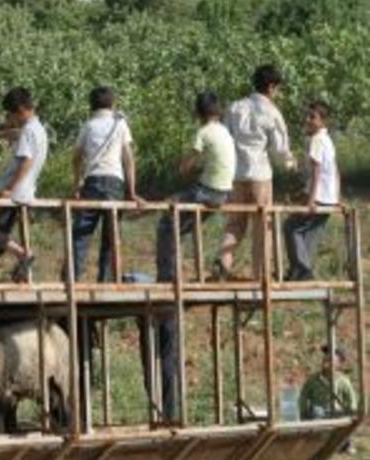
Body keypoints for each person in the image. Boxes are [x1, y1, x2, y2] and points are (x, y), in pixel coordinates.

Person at [150, 92, 236, 422]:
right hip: (223, 192)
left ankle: (167, 274)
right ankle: (177, 262)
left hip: (207, 191)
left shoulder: (203, 132)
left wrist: (182, 166)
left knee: (165, 221)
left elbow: (188, 161)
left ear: (197, 112)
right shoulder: (225, 131)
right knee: (180, 227)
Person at [213, 65, 296, 280]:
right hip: (260, 175)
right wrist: (290, 163)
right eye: (277, 88)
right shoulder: (271, 112)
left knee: (234, 224)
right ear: (271, 86)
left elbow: (224, 138)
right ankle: (260, 277)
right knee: (263, 227)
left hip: (236, 175)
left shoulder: (234, 107)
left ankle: (223, 262)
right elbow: (280, 148)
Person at [0, 87, 48, 283]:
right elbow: (15, 133)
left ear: (20, 110)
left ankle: (24, 254)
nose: (9, 119)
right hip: (23, 191)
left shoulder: (29, 131)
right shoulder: (36, 128)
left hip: (14, 193)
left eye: (10, 115)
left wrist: (9, 189)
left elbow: (26, 161)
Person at [69, 86, 142, 282]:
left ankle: (73, 278)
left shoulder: (89, 126)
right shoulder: (120, 124)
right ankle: (106, 280)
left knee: (81, 234)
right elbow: (129, 159)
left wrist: (77, 184)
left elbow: (76, 158)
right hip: (115, 183)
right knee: (111, 236)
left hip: (92, 181)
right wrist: (132, 191)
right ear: (112, 103)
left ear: (91, 105)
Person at [283, 101, 340, 281]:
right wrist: (337, 197)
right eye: (307, 116)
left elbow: (316, 173)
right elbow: (335, 171)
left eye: (313, 117)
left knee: (290, 227)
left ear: (324, 121)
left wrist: (311, 200)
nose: (308, 120)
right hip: (328, 198)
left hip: (320, 197)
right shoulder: (327, 139)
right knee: (307, 233)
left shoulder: (316, 139)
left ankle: (303, 270)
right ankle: (298, 272)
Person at [299, 345, 357, 453]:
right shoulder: (313, 380)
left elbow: (351, 399)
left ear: (339, 363)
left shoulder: (343, 381)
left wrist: (351, 412)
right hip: (319, 412)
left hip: (336, 412)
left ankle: (345, 444)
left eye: (330, 359)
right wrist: (303, 412)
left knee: (344, 422)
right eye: (325, 358)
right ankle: (317, 445)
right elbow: (303, 396)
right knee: (317, 414)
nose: (325, 361)